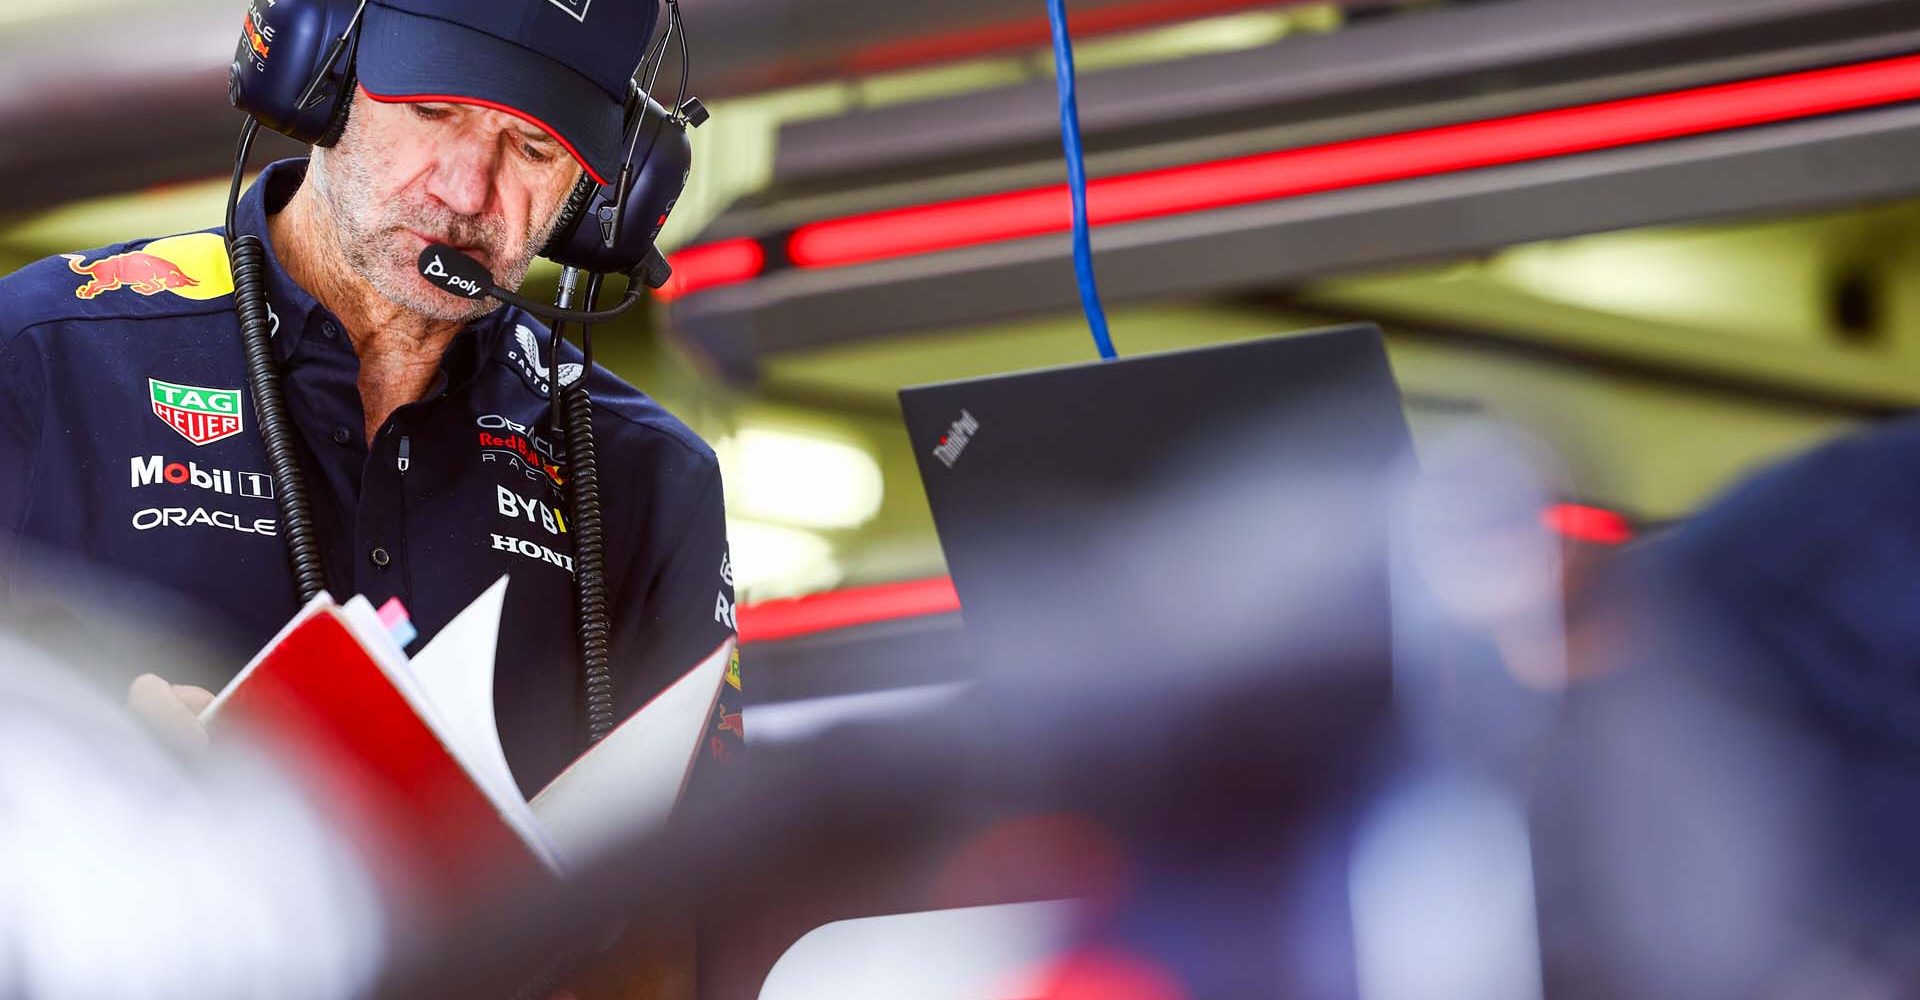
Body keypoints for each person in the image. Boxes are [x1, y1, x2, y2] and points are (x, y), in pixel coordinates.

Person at [0, 0, 741, 799]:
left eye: (533, 147)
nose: (465, 192)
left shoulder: (653, 478)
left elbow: (710, 895)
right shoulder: (40, 353)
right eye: (431, 110)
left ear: (610, 198)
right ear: (322, 76)